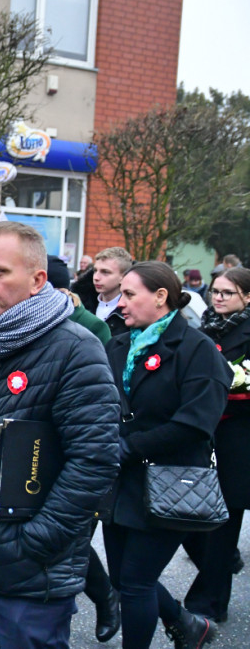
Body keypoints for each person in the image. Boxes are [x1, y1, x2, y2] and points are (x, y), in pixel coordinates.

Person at [0, 221, 120, 649]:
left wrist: (37, 540)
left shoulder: (76, 350)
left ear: (37, 280)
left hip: (33, 571)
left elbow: (94, 460)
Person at [102, 261, 231, 649]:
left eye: (129, 295)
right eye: (120, 294)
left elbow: (195, 424)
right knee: (122, 578)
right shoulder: (119, 343)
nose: (119, 305)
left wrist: (129, 446)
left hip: (170, 481)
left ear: (160, 297)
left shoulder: (197, 349)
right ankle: (186, 625)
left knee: (137, 582)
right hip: (119, 479)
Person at [47, 255, 121, 642]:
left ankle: (105, 596)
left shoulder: (90, 327)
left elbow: (103, 388)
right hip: (38, 447)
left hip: (79, 442)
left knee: (72, 534)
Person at [181, 267, 250, 624]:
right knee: (189, 521)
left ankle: (208, 602)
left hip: (236, 440)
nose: (218, 297)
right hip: (203, 434)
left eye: (228, 293)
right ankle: (215, 583)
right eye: (216, 291)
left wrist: (227, 394)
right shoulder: (204, 326)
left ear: (247, 297)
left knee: (223, 523)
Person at [93, 247, 133, 337]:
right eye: (95, 270)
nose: (96, 277)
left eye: (105, 272)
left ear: (123, 277)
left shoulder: (131, 312)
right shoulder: (81, 304)